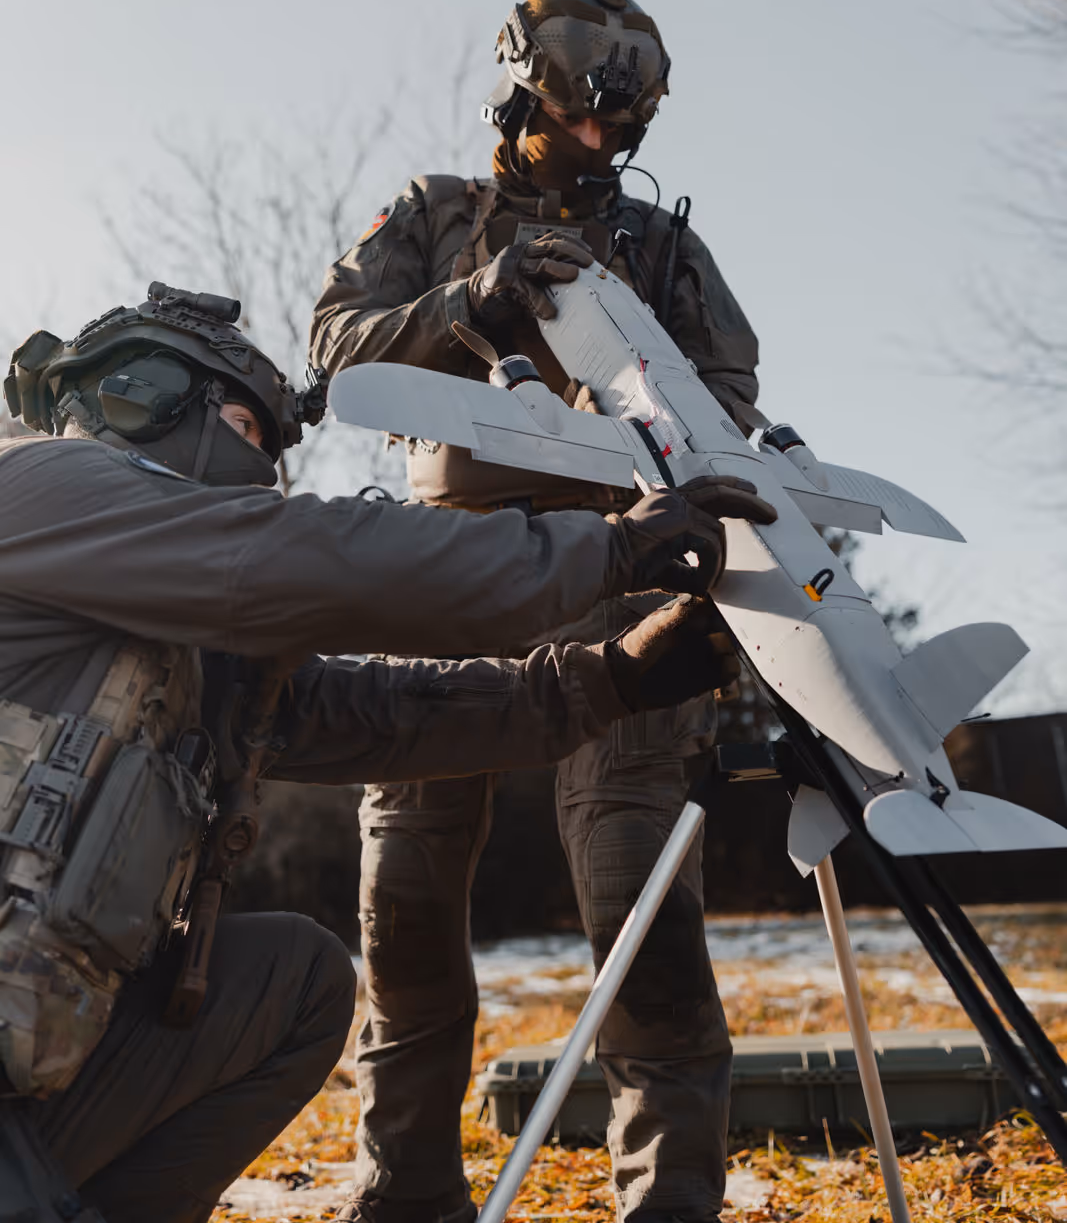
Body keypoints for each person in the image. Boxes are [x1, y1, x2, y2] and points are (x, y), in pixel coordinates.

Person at [0, 280, 775, 1223]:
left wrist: (608, 679)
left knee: (293, 983)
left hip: (33, 1050)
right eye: (252, 434)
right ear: (148, 395)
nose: (265, 474)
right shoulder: (39, 487)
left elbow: (376, 711)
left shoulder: (184, 651)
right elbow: (313, 553)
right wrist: (605, 551)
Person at [309, 0, 766, 1223]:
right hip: (440, 580)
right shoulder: (436, 212)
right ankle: (400, 1194)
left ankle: (668, 1199)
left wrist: (636, 408)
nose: (605, 137)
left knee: (639, 917)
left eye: (626, 118)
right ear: (525, 87)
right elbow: (332, 342)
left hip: (615, 575)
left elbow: (728, 399)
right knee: (403, 917)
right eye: (584, 110)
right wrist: (472, 304)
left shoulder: (666, 247)